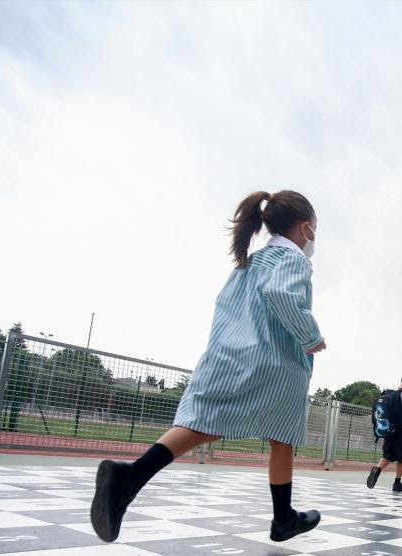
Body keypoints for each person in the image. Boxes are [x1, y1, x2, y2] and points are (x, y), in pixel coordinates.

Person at [90, 191, 327, 544]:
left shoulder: (249, 263)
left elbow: (226, 307)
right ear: (306, 228)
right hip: (275, 361)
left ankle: (133, 476)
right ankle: (282, 518)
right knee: (282, 433)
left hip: (230, 354)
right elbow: (281, 295)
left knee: (207, 422)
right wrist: (310, 336)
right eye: (315, 230)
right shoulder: (291, 260)